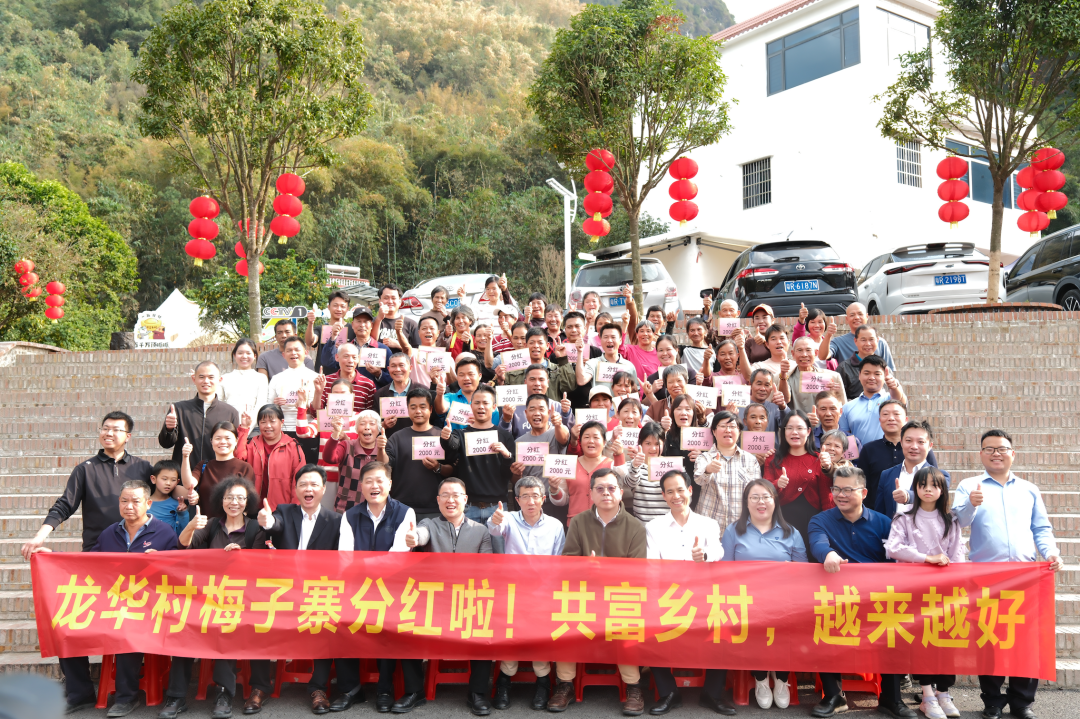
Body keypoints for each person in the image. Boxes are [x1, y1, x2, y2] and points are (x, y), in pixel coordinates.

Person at [952, 430, 1062, 719]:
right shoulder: (968, 486)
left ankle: (1022, 702)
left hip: (1026, 576)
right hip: (985, 577)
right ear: (981, 454)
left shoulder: (1028, 489)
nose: (996, 453)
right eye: (989, 449)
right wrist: (971, 504)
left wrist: (1050, 552)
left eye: (1001, 448)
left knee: (1026, 642)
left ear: (1013, 453)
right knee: (989, 641)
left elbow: (1041, 528)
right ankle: (992, 701)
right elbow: (957, 522)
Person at [64, 481, 177, 717]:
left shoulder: (165, 532)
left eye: (135, 501)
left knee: (126, 626)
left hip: (147, 606)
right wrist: (52, 557)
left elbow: (178, 573)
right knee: (66, 627)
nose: (129, 506)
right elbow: (88, 565)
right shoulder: (109, 533)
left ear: (148, 503)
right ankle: (80, 694)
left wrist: (162, 561)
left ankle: (127, 697)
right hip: (110, 602)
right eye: (124, 501)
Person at [807, 467, 910, 719]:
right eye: (836, 489)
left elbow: (897, 558)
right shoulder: (820, 520)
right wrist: (828, 553)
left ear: (863, 493)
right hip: (838, 599)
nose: (840, 495)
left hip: (877, 600)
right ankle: (833, 696)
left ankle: (891, 697)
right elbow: (818, 543)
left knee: (894, 626)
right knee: (822, 621)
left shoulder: (884, 523)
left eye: (847, 489)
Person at [165, 476, 270, 719]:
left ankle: (224, 693)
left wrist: (242, 556)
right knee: (183, 628)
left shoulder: (255, 528)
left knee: (226, 627)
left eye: (240, 498)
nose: (234, 502)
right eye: (229, 497)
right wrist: (191, 526)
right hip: (205, 598)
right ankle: (176, 696)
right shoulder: (212, 524)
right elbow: (184, 548)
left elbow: (262, 566)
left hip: (240, 601)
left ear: (248, 501)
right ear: (220, 500)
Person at [549, 468, 647, 715]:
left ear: (621, 492)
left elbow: (638, 572)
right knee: (566, 615)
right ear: (591, 493)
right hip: (585, 593)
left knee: (627, 618)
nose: (606, 493)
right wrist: (585, 569)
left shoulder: (635, 526)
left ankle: (633, 686)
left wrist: (605, 573)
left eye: (611, 488)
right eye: (600, 488)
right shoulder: (579, 521)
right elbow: (568, 561)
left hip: (620, 595)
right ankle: (565, 684)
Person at [256, 465, 344, 714]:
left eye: (314, 484)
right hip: (284, 590)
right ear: (295, 489)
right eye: (303, 484)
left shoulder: (336, 520)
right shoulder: (285, 511)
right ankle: (259, 687)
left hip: (317, 591)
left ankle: (318, 689)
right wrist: (268, 521)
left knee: (327, 624)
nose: (308, 489)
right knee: (259, 622)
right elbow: (275, 524)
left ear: (323, 489)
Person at [404, 478, 495, 715]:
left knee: (483, 626)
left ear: (465, 499)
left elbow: (486, 569)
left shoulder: (480, 531)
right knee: (407, 626)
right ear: (438, 500)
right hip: (434, 601)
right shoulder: (429, 524)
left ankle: (477, 693)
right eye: (445, 495)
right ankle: (414, 691)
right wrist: (414, 539)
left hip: (466, 600)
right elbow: (421, 535)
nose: (450, 500)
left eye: (456, 495)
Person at [882, 466, 963, 719]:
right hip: (914, 592)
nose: (928, 490)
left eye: (934, 485)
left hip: (945, 592)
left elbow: (958, 554)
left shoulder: (951, 520)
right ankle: (927, 695)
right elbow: (893, 548)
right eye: (922, 485)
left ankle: (943, 692)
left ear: (942, 490)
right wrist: (927, 558)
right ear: (915, 488)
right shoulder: (904, 517)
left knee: (946, 642)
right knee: (923, 642)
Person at [336, 462, 416, 712]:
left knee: (388, 623)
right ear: (361, 486)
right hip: (357, 587)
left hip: (392, 588)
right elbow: (345, 557)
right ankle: (350, 689)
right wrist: (362, 573)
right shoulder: (350, 515)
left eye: (380, 480)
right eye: (369, 481)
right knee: (339, 621)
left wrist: (364, 564)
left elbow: (398, 557)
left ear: (389, 484)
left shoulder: (405, 513)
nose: (374, 486)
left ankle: (384, 689)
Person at [720, 479, 807, 711]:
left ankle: (781, 678)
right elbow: (725, 571)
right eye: (755, 497)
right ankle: (760, 678)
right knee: (754, 624)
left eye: (766, 497)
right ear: (746, 502)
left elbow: (803, 573)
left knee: (787, 626)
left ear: (774, 501)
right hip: (746, 601)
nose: (761, 502)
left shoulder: (791, 533)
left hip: (784, 602)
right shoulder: (733, 531)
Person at [645, 470, 724, 716]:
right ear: (663, 495)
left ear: (690, 490)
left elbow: (718, 551)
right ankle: (669, 693)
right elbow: (652, 566)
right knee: (649, 632)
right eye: (669, 491)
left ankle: (712, 694)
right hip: (668, 596)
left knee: (724, 630)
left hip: (703, 595)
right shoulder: (653, 526)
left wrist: (704, 555)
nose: (676, 496)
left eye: (680, 489)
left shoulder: (708, 523)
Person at [23, 411, 152, 560]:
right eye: (105, 428)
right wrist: (40, 536)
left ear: (128, 436)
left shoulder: (143, 467)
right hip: (98, 549)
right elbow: (65, 505)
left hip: (138, 548)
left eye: (116, 429)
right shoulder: (85, 469)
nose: (109, 433)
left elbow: (163, 495)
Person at [487, 477, 566, 710]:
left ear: (543, 499)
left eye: (535, 496)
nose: (530, 501)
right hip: (513, 591)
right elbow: (495, 528)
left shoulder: (555, 525)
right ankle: (504, 680)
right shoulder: (508, 518)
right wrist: (494, 519)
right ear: (517, 499)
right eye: (525, 496)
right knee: (510, 633)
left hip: (543, 592)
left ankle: (543, 682)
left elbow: (559, 561)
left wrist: (547, 591)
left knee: (540, 635)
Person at [440, 384, 515, 531]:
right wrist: (446, 437)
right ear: (471, 406)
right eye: (477, 403)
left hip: (497, 507)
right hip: (468, 508)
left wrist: (507, 456)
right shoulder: (460, 434)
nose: (481, 407)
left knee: (498, 546)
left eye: (485, 403)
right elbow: (452, 446)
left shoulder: (505, 436)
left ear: (494, 407)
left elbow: (509, 474)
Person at [764, 410, 832, 553]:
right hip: (780, 521)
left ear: (808, 431)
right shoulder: (772, 458)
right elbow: (764, 491)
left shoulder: (819, 459)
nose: (794, 432)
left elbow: (827, 498)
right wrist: (777, 484)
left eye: (800, 428)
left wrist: (829, 525)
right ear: (783, 431)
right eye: (789, 428)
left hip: (812, 523)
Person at [380, 387, 448, 521]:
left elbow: (453, 470)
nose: (418, 411)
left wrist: (438, 467)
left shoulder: (442, 436)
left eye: (423, 407)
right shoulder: (396, 437)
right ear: (407, 410)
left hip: (435, 508)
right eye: (413, 407)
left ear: (431, 409)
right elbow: (384, 466)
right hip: (401, 508)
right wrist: (380, 449)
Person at [856, 400, 938, 509]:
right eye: (886, 414)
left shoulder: (921, 450)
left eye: (896, 414)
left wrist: (909, 496)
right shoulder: (869, 449)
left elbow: (936, 481)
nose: (891, 418)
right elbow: (862, 484)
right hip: (880, 513)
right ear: (880, 420)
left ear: (906, 419)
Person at [159, 360, 240, 468]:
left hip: (216, 474)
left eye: (211, 377)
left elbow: (235, 448)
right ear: (194, 379)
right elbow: (166, 444)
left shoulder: (230, 412)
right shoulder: (179, 409)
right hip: (185, 473)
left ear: (219, 380)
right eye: (201, 377)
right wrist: (169, 429)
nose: (206, 381)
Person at [693, 411, 762, 535]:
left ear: (739, 431)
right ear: (714, 431)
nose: (728, 430)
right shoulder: (705, 458)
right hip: (708, 527)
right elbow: (698, 479)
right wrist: (708, 469)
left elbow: (756, 493)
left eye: (732, 426)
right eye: (723, 426)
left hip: (741, 527)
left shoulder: (750, 460)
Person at [508, 393, 571, 523]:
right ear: (526, 414)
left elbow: (564, 438)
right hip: (531, 502)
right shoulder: (519, 442)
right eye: (532, 409)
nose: (537, 413)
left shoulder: (557, 431)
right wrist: (516, 473)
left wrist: (558, 425)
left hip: (554, 499)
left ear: (548, 412)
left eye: (541, 409)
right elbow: (516, 480)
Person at [180, 420, 256, 518]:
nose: (223, 442)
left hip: (233, 524)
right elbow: (188, 484)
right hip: (206, 524)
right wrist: (185, 456)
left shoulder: (245, 467)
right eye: (218, 438)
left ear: (236, 440)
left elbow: (248, 501)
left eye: (227, 438)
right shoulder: (204, 465)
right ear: (211, 441)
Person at [875, 420, 949, 520]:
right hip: (892, 529)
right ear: (901, 443)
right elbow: (880, 513)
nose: (914, 446)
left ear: (930, 446)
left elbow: (934, 495)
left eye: (921, 442)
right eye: (908, 440)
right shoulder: (887, 475)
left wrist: (908, 496)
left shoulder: (941, 476)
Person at [236, 405, 306, 510]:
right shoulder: (252, 444)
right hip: (254, 507)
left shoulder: (293, 447)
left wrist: (295, 508)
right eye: (263, 422)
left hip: (282, 509)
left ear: (282, 422)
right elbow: (238, 459)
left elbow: (300, 480)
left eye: (272, 421)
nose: (268, 426)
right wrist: (244, 429)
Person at [267, 336, 320, 462]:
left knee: (308, 467)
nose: (293, 353)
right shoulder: (276, 378)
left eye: (297, 349)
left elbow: (320, 410)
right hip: (283, 431)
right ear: (284, 355)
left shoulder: (316, 378)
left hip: (309, 430)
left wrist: (304, 405)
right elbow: (268, 407)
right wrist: (276, 405)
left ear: (306, 352)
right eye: (289, 350)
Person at [837, 355, 908, 448]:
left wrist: (895, 387)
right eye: (867, 373)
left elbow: (900, 400)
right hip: (860, 456)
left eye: (877, 374)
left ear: (884, 376)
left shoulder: (890, 400)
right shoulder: (847, 407)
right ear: (859, 375)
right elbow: (845, 438)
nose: (871, 377)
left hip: (890, 454)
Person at [322, 410, 382, 512]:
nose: (367, 427)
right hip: (346, 508)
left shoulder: (384, 448)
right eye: (362, 424)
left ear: (379, 429)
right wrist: (336, 433)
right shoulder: (347, 445)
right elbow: (329, 458)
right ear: (357, 429)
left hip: (375, 508)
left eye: (372, 424)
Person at [562, 420, 616, 521]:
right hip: (576, 523)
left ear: (604, 442)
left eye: (596, 437)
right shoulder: (569, 464)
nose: (591, 441)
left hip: (605, 523)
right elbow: (562, 500)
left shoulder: (612, 465)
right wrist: (554, 490)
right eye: (586, 437)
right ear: (580, 441)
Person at [500, 364, 575, 436]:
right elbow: (504, 438)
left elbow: (570, 436)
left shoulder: (558, 407)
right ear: (525, 382)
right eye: (532, 379)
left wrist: (566, 415)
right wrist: (506, 420)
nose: (537, 383)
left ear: (548, 383)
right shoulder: (513, 408)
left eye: (541, 379)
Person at [817, 303, 896, 368]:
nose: (857, 317)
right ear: (847, 319)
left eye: (860, 314)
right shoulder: (838, 342)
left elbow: (889, 370)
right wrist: (828, 335)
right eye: (852, 315)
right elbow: (822, 356)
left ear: (867, 316)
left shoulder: (880, 343)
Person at [617, 422, 668, 521]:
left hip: (667, 524)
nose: (653, 448)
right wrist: (635, 466)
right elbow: (631, 483)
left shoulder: (671, 465)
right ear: (640, 444)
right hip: (642, 524)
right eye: (648, 443)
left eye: (657, 444)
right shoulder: (632, 465)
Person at [437, 355, 501, 430]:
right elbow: (441, 409)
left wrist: (480, 423)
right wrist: (440, 394)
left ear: (479, 376)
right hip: (453, 437)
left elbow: (494, 429)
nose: (466, 378)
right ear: (457, 377)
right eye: (461, 375)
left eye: (471, 374)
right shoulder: (449, 397)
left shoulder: (489, 402)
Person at [313, 342, 377, 414]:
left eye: (354, 357)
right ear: (337, 357)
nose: (350, 361)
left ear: (358, 359)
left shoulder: (368, 384)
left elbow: (371, 414)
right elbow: (316, 413)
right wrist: (318, 392)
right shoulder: (326, 381)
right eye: (346, 356)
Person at [786, 336, 844, 415]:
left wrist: (833, 393)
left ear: (816, 353)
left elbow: (843, 408)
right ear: (793, 354)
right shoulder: (785, 378)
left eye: (808, 350)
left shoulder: (833, 377)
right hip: (796, 421)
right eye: (799, 350)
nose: (804, 355)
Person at [576, 323, 637, 396]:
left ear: (620, 340)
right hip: (601, 403)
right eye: (605, 337)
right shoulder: (593, 363)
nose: (609, 340)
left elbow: (635, 391)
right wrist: (580, 352)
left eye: (613, 337)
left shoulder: (629, 366)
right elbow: (581, 381)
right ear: (600, 340)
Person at [836, 325, 889, 400]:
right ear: (855, 341)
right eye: (863, 340)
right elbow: (839, 397)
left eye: (871, 339)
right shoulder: (844, 368)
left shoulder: (884, 366)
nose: (868, 344)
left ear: (877, 340)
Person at [643, 336, 698, 406]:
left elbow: (695, 401)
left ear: (676, 350)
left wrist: (698, 384)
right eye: (661, 350)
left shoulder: (689, 373)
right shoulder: (652, 378)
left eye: (668, 349)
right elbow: (644, 406)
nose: (664, 353)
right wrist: (651, 392)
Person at [218, 338, 269, 414]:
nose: (244, 356)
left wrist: (250, 421)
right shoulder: (224, 378)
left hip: (253, 420)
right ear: (234, 355)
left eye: (248, 353)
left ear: (254, 356)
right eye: (240, 353)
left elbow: (261, 404)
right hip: (228, 420)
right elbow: (218, 403)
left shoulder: (261, 378)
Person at [305, 289, 351, 373]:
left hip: (345, 376)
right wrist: (310, 323)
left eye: (342, 306)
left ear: (347, 309)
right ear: (329, 307)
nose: (339, 309)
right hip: (323, 375)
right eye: (335, 305)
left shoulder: (353, 329)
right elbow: (310, 342)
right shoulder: (321, 329)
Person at [375, 352, 414, 438]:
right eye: (393, 366)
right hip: (389, 441)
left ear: (410, 368)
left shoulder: (422, 391)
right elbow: (374, 423)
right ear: (388, 369)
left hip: (415, 440)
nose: (397, 369)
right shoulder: (380, 394)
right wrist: (383, 425)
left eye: (401, 365)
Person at [146, 460, 189, 536]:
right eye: (164, 479)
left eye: (173, 480)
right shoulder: (143, 503)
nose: (168, 483)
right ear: (153, 479)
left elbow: (183, 532)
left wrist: (183, 514)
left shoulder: (178, 505)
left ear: (177, 482)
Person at [375, 283, 421, 350]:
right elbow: (367, 345)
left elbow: (418, 351)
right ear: (380, 301)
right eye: (386, 298)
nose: (390, 301)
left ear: (400, 301)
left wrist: (399, 345)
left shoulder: (411, 324)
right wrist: (378, 319)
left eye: (393, 298)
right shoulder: (372, 322)